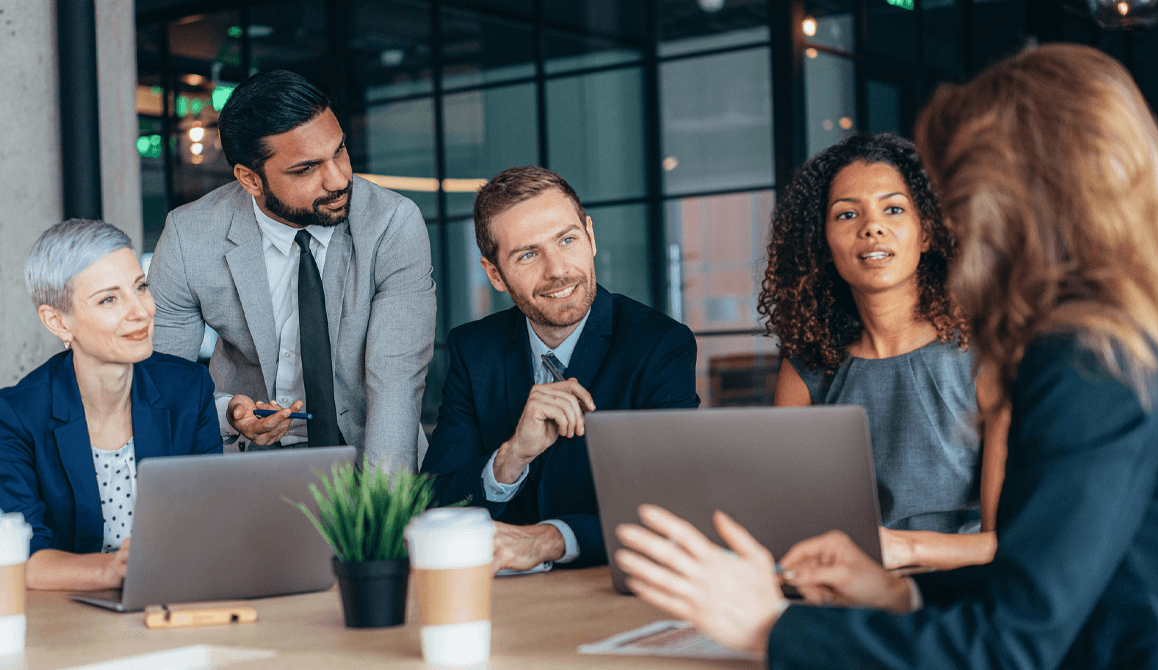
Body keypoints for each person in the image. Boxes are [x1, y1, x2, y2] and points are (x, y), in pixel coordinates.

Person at [615, 43, 1158, 668]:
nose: (956, 220)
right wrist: (897, 593)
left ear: (1031, 194)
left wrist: (771, 627)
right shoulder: (1110, 341)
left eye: (965, 187)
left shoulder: (1090, 362)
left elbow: (1011, 645)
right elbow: (1042, 582)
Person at [148, 70, 435, 472]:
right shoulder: (190, 236)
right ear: (250, 179)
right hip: (242, 465)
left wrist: (380, 518)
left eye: (339, 151)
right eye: (306, 169)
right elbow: (160, 382)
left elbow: (396, 385)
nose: (339, 178)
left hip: (368, 456)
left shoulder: (392, 223)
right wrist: (228, 414)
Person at [422, 166, 700, 572]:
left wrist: (548, 540)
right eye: (528, 254)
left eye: (567, 240)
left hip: (611, 592)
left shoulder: (658, 345)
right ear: (495, 274)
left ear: (590, 236)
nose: (556, 270)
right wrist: (512, 456)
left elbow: (672, 509)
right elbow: (434, 506)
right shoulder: (474, 350)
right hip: (507, 605)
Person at [758, 133, 1010, 571]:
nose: (871, 226)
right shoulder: (805, 370)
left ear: (927, 231)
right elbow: (792, 525)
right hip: (850, 590)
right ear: (822, 243)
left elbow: (1006, 542)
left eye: (893, 209)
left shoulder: (985, 354)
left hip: (965, 595)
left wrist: (904, 549)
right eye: (847, 214)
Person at [0, 220, 221, 591]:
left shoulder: (188, 388)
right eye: (109, 299)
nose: (140, 312)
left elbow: (211, 521)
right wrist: (115, 569)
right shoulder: (16, 415)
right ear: (57, 321)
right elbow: (23, 558)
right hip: (65, 620)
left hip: (174, 599)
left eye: (140, 288)